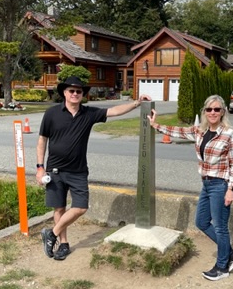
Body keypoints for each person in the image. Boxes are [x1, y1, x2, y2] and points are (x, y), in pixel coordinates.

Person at [37, 76, 151, 261]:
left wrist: (137, 102)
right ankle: (63, 244)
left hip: (78, 171)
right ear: (64, 93)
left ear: (82, 94)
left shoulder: (88, 114)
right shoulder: (51, 114)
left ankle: (51, 234)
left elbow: (114, 111)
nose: (75, 94)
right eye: (71, 91)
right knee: (59, 208)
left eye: (79, 91)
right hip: (55, 170)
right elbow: (42, 140)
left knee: (81, 207)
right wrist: (40, 167)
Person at [148, 95, 233, 281]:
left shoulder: (230, 134)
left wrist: (231, 189)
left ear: (223, 112)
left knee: (221, 227)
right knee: (201, 222)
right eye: (209, 109)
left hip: (220, 184)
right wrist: (155, 125)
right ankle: (230, 253)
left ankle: (222, 267)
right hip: (206, 184)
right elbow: (178, 132)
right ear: (204, 112)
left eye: (217, 109)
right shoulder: (200, 130)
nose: (213, 113)